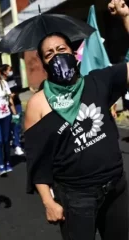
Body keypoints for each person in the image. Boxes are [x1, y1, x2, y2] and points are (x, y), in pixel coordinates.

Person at [25, 1, 129, 239]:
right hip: (76, 198)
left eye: (61, 49)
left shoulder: (98, 81)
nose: (57, 56)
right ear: (43, 64)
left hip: (115, 187)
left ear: (73, 52)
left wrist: (125, 17)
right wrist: (47, 201)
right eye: (49, 54)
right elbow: (37, 160)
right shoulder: (38, 104)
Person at [0, 64, 25, 156]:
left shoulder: (14, 78)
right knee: (10, 124)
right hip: (7, 106)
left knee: (17, 123)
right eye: (9, 69)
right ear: (4, 72)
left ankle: (17, 144)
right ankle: (12, 139)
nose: (11, 71)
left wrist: (15, 93)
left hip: (17, 104)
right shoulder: (1, 82)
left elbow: (19, 87)